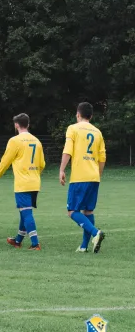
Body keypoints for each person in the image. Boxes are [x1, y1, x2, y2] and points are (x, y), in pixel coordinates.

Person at [0, 113, 45, 250]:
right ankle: (18, 240)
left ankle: (35, 243)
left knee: (26, 213)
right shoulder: (37, 141)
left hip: (23, 183)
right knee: (24, 212)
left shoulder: (15, 141)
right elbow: (42, 164)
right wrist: (35, 174)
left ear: (16, 125)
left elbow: (5, 161)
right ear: (28, 124)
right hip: (35, 182)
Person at [59, 102, 106, 253]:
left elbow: (68, 150)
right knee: (88, 211)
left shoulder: (73, 128)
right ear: (91, 116)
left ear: (78, 114)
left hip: (80, 177)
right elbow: (102, 157)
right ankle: (84, 246)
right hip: (94, 176)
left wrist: (61, 169)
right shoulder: (97, 132)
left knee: (72, 211)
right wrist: (98, 174)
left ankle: (95, 233)